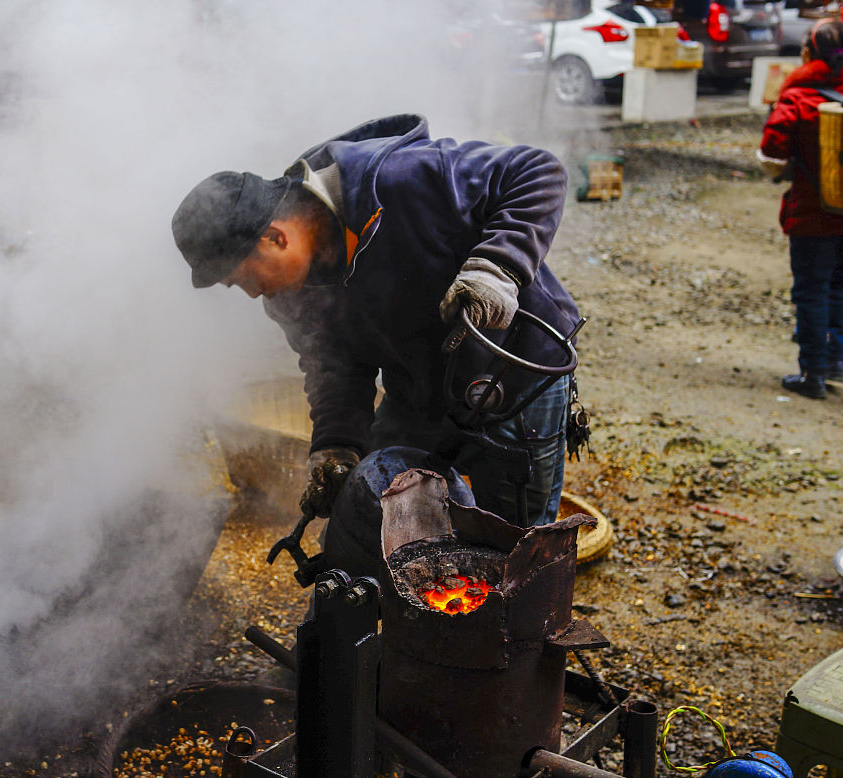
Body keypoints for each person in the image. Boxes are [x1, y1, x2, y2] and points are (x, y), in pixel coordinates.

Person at [171, 114, 580, 578]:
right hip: (418, 387)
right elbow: (332, 366)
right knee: (365, 518)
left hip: (514, 373)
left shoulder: (398, 180)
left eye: (243, 277)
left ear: (274, 237)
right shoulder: (290, 294)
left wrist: (498, 267)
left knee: (516, 552)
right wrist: (336, 445)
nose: (251, 293)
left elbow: (537, 170)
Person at [759, 19, 843, 400]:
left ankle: (813, 373)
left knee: (812, 291)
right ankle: (836, 362)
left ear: (809, 53)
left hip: (812, 214)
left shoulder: (797, 97)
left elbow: (772, 152)